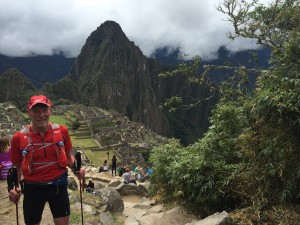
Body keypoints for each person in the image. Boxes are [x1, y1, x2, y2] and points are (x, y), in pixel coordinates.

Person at [8, 95, 85, 225]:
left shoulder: (62, 131)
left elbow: (69, 156)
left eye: (44, 110)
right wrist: (13, 188)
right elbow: (17, 167)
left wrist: (77, 169)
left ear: (50, 111)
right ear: (29, 113)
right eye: (36, 111)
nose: (41, 115)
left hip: (58, 186)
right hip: (33, 188)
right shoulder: (18, 138)